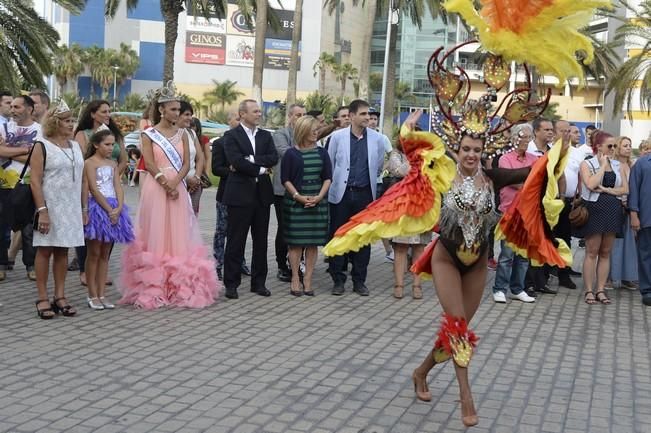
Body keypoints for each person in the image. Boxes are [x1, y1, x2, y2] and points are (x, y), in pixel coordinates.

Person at [119, 82, 219, 309]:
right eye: (172, 109)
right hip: (156, 186)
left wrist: (176, 182)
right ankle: (155, 283)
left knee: (179, 231)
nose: (176, 113)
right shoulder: (149, 134)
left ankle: (177, 284)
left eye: (177, 109)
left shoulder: (184, 133)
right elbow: (149, 162)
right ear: (161, 109)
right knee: (156, 230)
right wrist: (165, 183)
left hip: (178, 186)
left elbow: (187, 163)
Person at [30, 100, 85, 319]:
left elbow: (82, 179)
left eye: (72, 120)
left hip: (70, 206)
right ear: (55, 122)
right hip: (49, 205)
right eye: (66, 121)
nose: (71, 124)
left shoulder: (76, 146)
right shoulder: (41, 144)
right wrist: (42, 210)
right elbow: (35, 180)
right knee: (45, 250)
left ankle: (60, 296)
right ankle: (43, 297)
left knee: (63, 250)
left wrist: (84, 208)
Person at [327, 99, 386, 296]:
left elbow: (377, 165)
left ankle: (359, 280)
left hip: (364, 195)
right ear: (351, 116)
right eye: (363, 114)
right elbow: (331, 162)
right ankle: (338, 278)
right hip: (341, 195)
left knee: (362, 239)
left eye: (368, 114)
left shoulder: (377, 139)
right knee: (339, 236)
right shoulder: (337, 137)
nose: (367, 117)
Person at [222, 99, 278, 299]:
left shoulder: (264, 136)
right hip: (239, 195)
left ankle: (259, 282)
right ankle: (231, 283)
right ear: (242, 114)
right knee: (236, 240)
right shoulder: (231, 136)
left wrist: (253, 160)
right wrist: (262, 168)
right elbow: (236, 161)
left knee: (261, 241)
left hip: (262, 195)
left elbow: (273, 157)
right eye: (254, 111)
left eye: (259, 111)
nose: (259, 114)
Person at [73, 100, 127, 287]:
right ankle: (84, 269)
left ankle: (101, 271)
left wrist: (112, 175)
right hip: (88, 184)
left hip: (111, 183)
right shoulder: (82, 134)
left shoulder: (115, 134)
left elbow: (123, 159)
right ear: (92, 114)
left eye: (109, 111)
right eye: (104, 111)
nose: (108, 114)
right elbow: (82, 159)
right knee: (89, 230)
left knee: (108, 231)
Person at [82, 128, 134, 310]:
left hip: (113, 207)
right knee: (94, 253)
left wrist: (119, 206)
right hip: (98, 207)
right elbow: (93, 189)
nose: (111, 148)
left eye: (113, 144)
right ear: (96, 145)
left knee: (105, 253)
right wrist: (108, 208)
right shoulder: (89, 163)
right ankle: (92, 294)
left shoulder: (112, 164)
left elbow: (117, 185)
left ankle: (102, 293)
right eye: (107, 144)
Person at [280, 116, 332, 296]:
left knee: (312, 244)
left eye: (317, 129)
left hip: (317, 203)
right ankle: (295, 278)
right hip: (296, 203)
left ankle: (308, 279)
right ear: (303, 130)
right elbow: (285, 179)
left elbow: (327, 177)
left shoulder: (322, 153)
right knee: (295, 244)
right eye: (312, 129)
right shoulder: (291, 154)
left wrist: (319, 197)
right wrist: (298, 196)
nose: (316, 132)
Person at [576, 131, 628, 305]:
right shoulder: (587, 163)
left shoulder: (618, 165)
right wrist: (602, 165)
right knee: (592, 251)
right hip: (594, 209)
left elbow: (624, 190)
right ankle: (589, 290)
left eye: (614, 146)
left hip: (612, 209)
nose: (613, 149)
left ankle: (601, 289)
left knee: (605, 252)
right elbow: (590, 185)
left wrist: (606, 190)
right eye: (610, 146)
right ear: (599, 147)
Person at [492, 124, 537, 304]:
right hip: (510, 212)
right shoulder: (505, 159)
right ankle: (500, 288)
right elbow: (512, 181)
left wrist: (527, 182)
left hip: (528, 213)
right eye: (521, 136)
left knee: (524, 255)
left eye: (528, 137)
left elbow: (538, 181)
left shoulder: (534, 158)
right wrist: (528, 182)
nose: (525, 140)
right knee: (507, 255)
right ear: (513, 138)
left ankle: (518, 288)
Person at [0, 95, 42, 282]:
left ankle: (30, 265)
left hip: (27, 182)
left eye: (17, 107)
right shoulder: (3, 126)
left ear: (29, 109)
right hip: (3, 182)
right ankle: (1, 264)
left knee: (27, 227)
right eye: (11, 106)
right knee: (2, 226)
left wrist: (10, 150)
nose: (13, 110)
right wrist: (25, 150)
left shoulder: (40, 130)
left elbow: (37, 158)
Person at [386, 136, 430, 299]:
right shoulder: (396, 154)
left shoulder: (427, 155)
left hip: (421, 205)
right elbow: (400, 171)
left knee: (419, 247)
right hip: (402, 207)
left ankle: (416, 285)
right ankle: (399, 285)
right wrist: (415, 158)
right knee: (400, 247)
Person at [211, 112, 250, 281]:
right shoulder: (220, 143)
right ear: (229, 121)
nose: (240, 121)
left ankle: (239, 262)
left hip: (245, 194)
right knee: (222, 230)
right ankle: (218, 264)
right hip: (226, 194)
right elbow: (216, 168)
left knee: (239, 232)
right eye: (236, 118)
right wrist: (235, 171)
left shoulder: (249, 143)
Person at [272, 104, 306, 282]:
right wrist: (306, 149)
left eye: (304, 115)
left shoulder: (309, 136)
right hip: (282, 190)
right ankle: (281, 265)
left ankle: (298, 263)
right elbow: (286, 153)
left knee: (300, 228)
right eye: (297, 115)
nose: (300, 117)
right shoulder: (281, 134)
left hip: (304, 190)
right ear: (290, 116)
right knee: (284, 228)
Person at [608, 136, 638, 289]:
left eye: (630, 145)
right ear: (618, 148)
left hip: (630, 208)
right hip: (615, 206)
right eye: (625, 145)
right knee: (613, 244)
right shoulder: (612, 165)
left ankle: (627, 276)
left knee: (629, 244)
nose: (628, 148)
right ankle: (609, 276)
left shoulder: (634, 165)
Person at [629, 143, 651, 305]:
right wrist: (634, 214)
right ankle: (647, 290)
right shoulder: (642, 163)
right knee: (645, 254)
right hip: (646, 216)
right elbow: (634, 189)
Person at [178, 101, 206, 215]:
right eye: (186, 114)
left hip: (194, 186)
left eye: (191, 115)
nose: (190, 118)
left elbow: (200, 158)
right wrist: (185, 180)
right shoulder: (168, 135)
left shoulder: (191, 133)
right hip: (176, 184)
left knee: (191, 221)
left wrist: (197, 178)